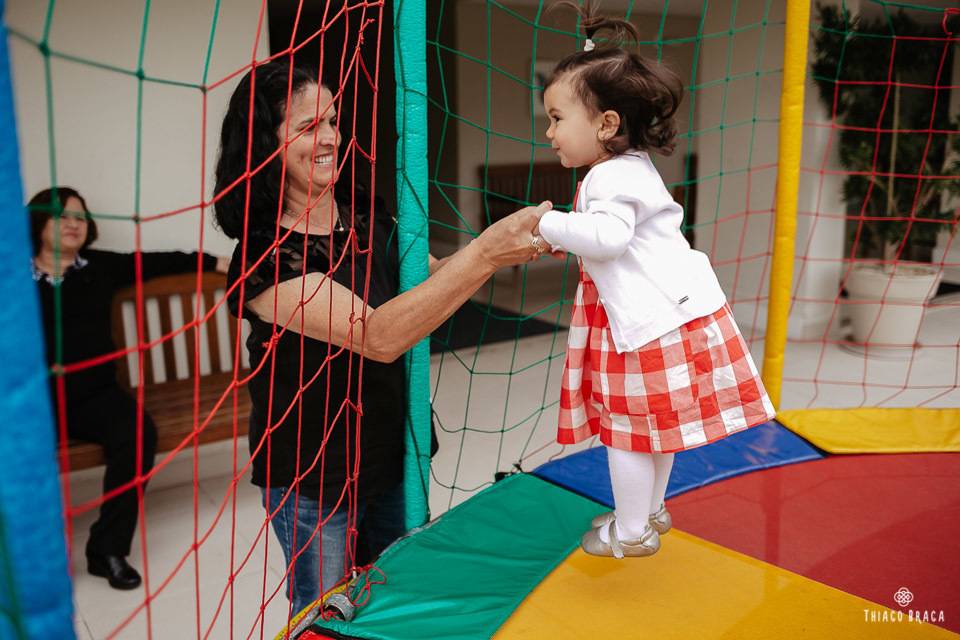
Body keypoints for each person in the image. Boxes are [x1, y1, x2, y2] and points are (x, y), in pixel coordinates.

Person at [214, 61, 551, 615]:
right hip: (313, 479)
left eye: (331, 121)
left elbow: (435, 280)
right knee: (329, 614)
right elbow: (379, 335)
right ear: (263, 145)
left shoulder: (366, 216)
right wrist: (489, 250)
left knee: (396, 600)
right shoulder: (265, 257)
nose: (327, 138)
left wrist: (520, 241)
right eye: (305, 127)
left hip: (392, 454)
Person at [533, 3, 776, 559]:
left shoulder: (611, 175)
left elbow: (610, 238)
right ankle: (647, 509)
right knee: (654, 427)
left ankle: (631, 531)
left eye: (555, 118)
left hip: (649, 327)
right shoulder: (630, 167)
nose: (548, 132)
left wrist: (543, 222)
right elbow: (608, 237)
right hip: (669, 315)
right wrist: (564, 231)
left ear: (606, 124)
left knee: (626, 429)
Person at [29, 187, 228, 589]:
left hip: (94, 395)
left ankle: (107, 549)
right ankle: (34, 562)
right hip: (35, 402)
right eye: (62, 216)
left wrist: (218, 261)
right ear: (38, 223)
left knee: (138, 434)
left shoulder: (98, 267)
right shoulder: (11, 278)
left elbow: (159, 262)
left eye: (81, 217)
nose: (73, 224)